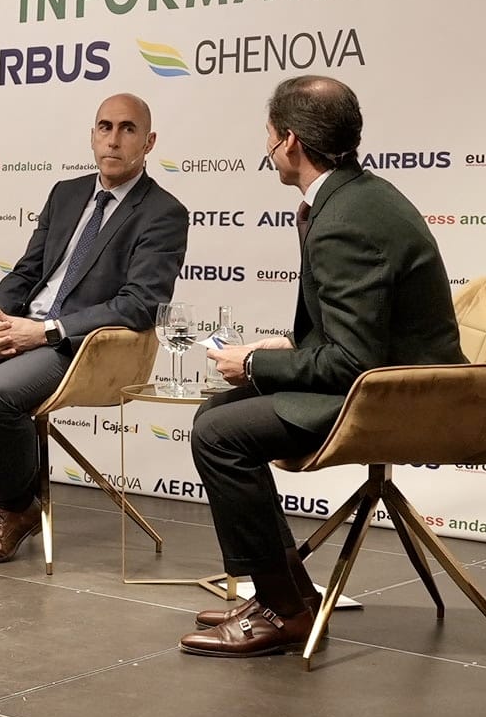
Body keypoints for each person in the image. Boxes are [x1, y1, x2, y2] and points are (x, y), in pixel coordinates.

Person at [181, 75, 465, 658]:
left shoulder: (344, 220)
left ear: (288, 142)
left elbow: (353, 361)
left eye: (267, 136)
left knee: (218, 432)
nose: (267, 149)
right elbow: (358, 333)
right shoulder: (358, 195)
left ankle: (285, 613)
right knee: (220, 412)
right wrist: (286, 347)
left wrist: (258, 362)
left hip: (396, 396)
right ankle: (284, 593)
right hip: (388, 375)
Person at [0, 93, 188, 564]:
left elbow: (139, 305)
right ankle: (16, 502)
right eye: (104, 126)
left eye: (127, 129)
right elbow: (28, 271)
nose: (113, 139)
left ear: (149, 141)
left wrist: (47, 331)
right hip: (22, 328)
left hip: (79, 347)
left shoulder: (163, 213)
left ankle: (10, 507)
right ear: (92, 135)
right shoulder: (66, 194)